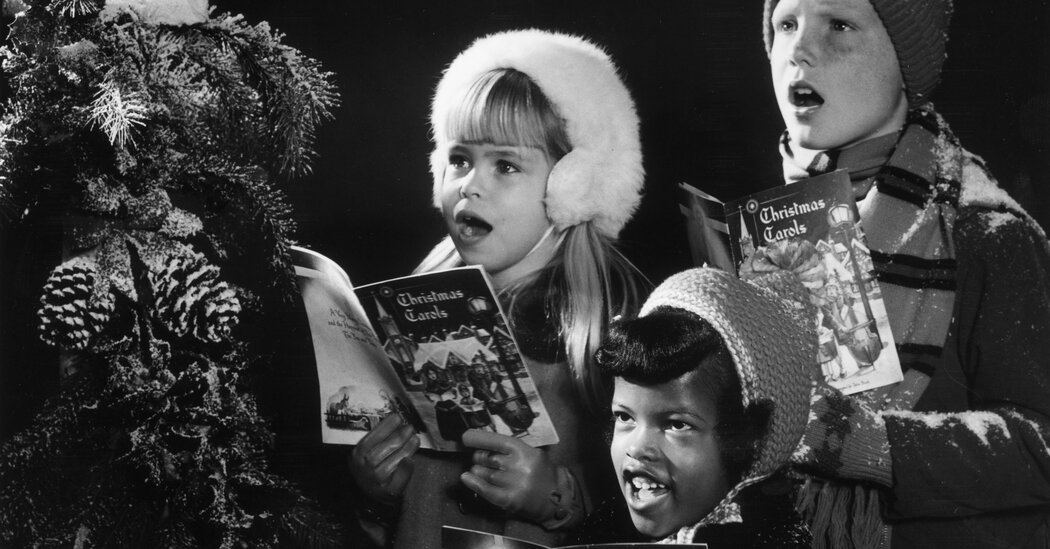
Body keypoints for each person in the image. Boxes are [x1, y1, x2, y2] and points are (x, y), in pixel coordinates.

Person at [763, 0, 1050, 547]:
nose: (798, 50)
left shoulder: (988, 233)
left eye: (839, 25)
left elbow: (1043, 447)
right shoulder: (770, 226)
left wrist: (868, 443)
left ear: (906, 62)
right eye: (786, 25)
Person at [347, 29, 646, 548]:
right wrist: (380, 492)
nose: (470, 184)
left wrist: (557, 497)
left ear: (573, 185)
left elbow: (655, 501)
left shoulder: (606, 322)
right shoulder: (415, 308)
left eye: (505, 165)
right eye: (459, 160)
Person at [592, 267, 814, 547]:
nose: (635, 448)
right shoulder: (601, 527)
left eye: (677, 425)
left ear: (748, 440)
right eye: (625, 417)